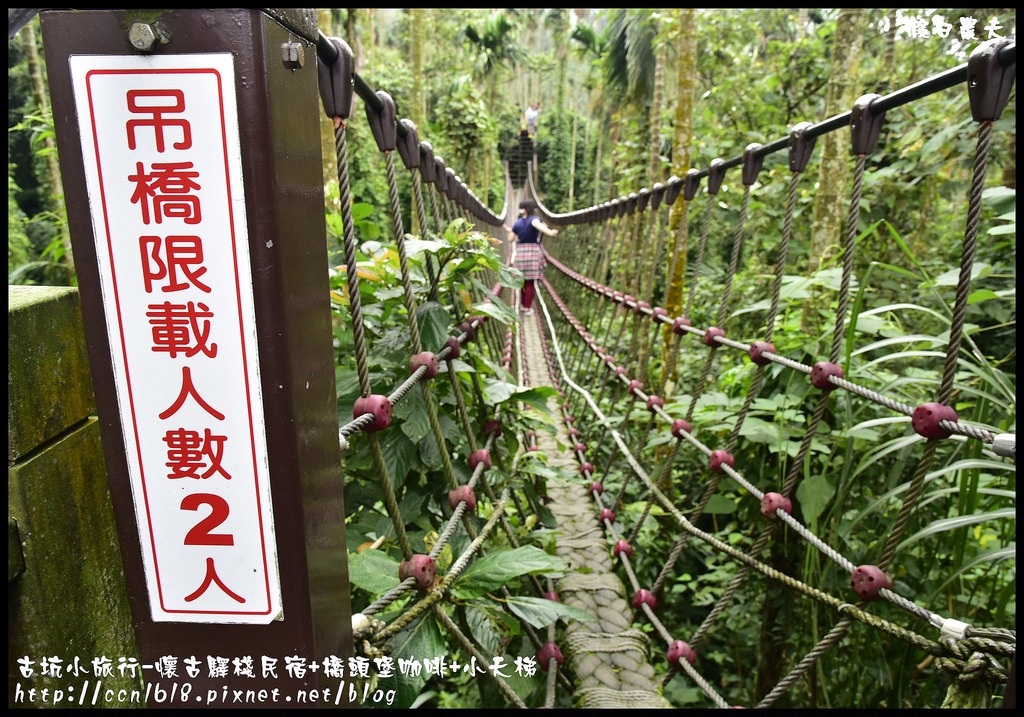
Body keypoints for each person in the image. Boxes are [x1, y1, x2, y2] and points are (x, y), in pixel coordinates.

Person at [504, 198, 557, 316]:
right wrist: (550, 232)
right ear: (533, 209)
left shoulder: (517, 223)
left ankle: (523, 306)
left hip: (520, 252)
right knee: (530, 283)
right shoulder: (534, 220)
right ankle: (527, 308)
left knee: (522, 281)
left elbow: (510, 239)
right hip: (532, 252)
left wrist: (511, 230)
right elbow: (539, 226)